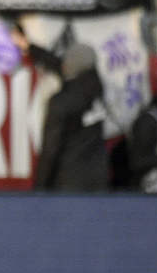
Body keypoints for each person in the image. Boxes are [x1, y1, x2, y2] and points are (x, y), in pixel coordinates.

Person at [33, 44, 109, 192]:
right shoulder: (97, 88)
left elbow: (50, 148)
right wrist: (31, 48)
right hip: (98, 180)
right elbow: (68, 69)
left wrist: (39, 188)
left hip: (68, 182)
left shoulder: (61, 102)